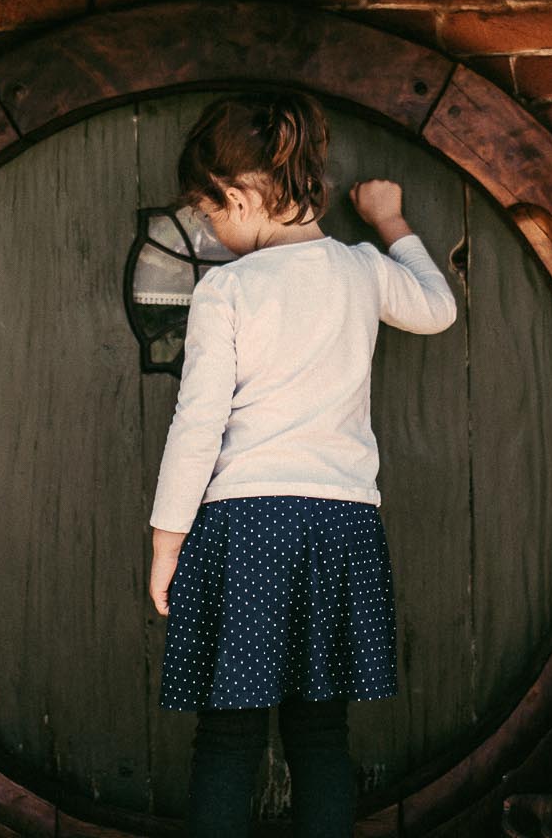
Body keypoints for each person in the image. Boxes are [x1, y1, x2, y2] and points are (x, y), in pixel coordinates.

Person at [146, 88, 459, 838]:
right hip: (340, 526)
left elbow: (198, 424)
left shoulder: (225, 287)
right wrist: (390, 223)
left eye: (211, 212)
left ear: (244, 194)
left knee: (228, 736)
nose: (213, 231)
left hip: (247, 527)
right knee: (321, 735)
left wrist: (166, 543)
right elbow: (436, 308)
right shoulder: (358, 269)